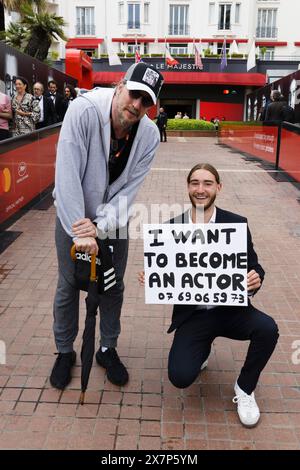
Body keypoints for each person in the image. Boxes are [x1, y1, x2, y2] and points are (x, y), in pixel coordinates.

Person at [50, 62, 164, 390]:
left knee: (112, 286)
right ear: (119, 86)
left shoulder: (150, 135)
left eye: (146, 102)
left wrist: (100, 227)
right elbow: (67, 174)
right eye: (134, 94)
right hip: (72, 215)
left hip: (113, 220)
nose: (137, 105)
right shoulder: (83, 111)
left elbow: (130, 191)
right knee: (69, 283)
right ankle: (64, 351)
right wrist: (80, 232)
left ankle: (106, 348)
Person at [139, 163, 279, 427]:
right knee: (180, 377)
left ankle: (245, 389)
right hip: (194, 315)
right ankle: (201, 350)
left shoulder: (236, 224)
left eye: (207, 183)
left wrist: (255, 278)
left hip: (231, 310)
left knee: (268, 329)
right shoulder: (172, 229)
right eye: (194, 183)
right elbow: (166, 273)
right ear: (188, 187)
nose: (200, 189)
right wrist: (152, 277)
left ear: (218, 187)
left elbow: (254, 265)